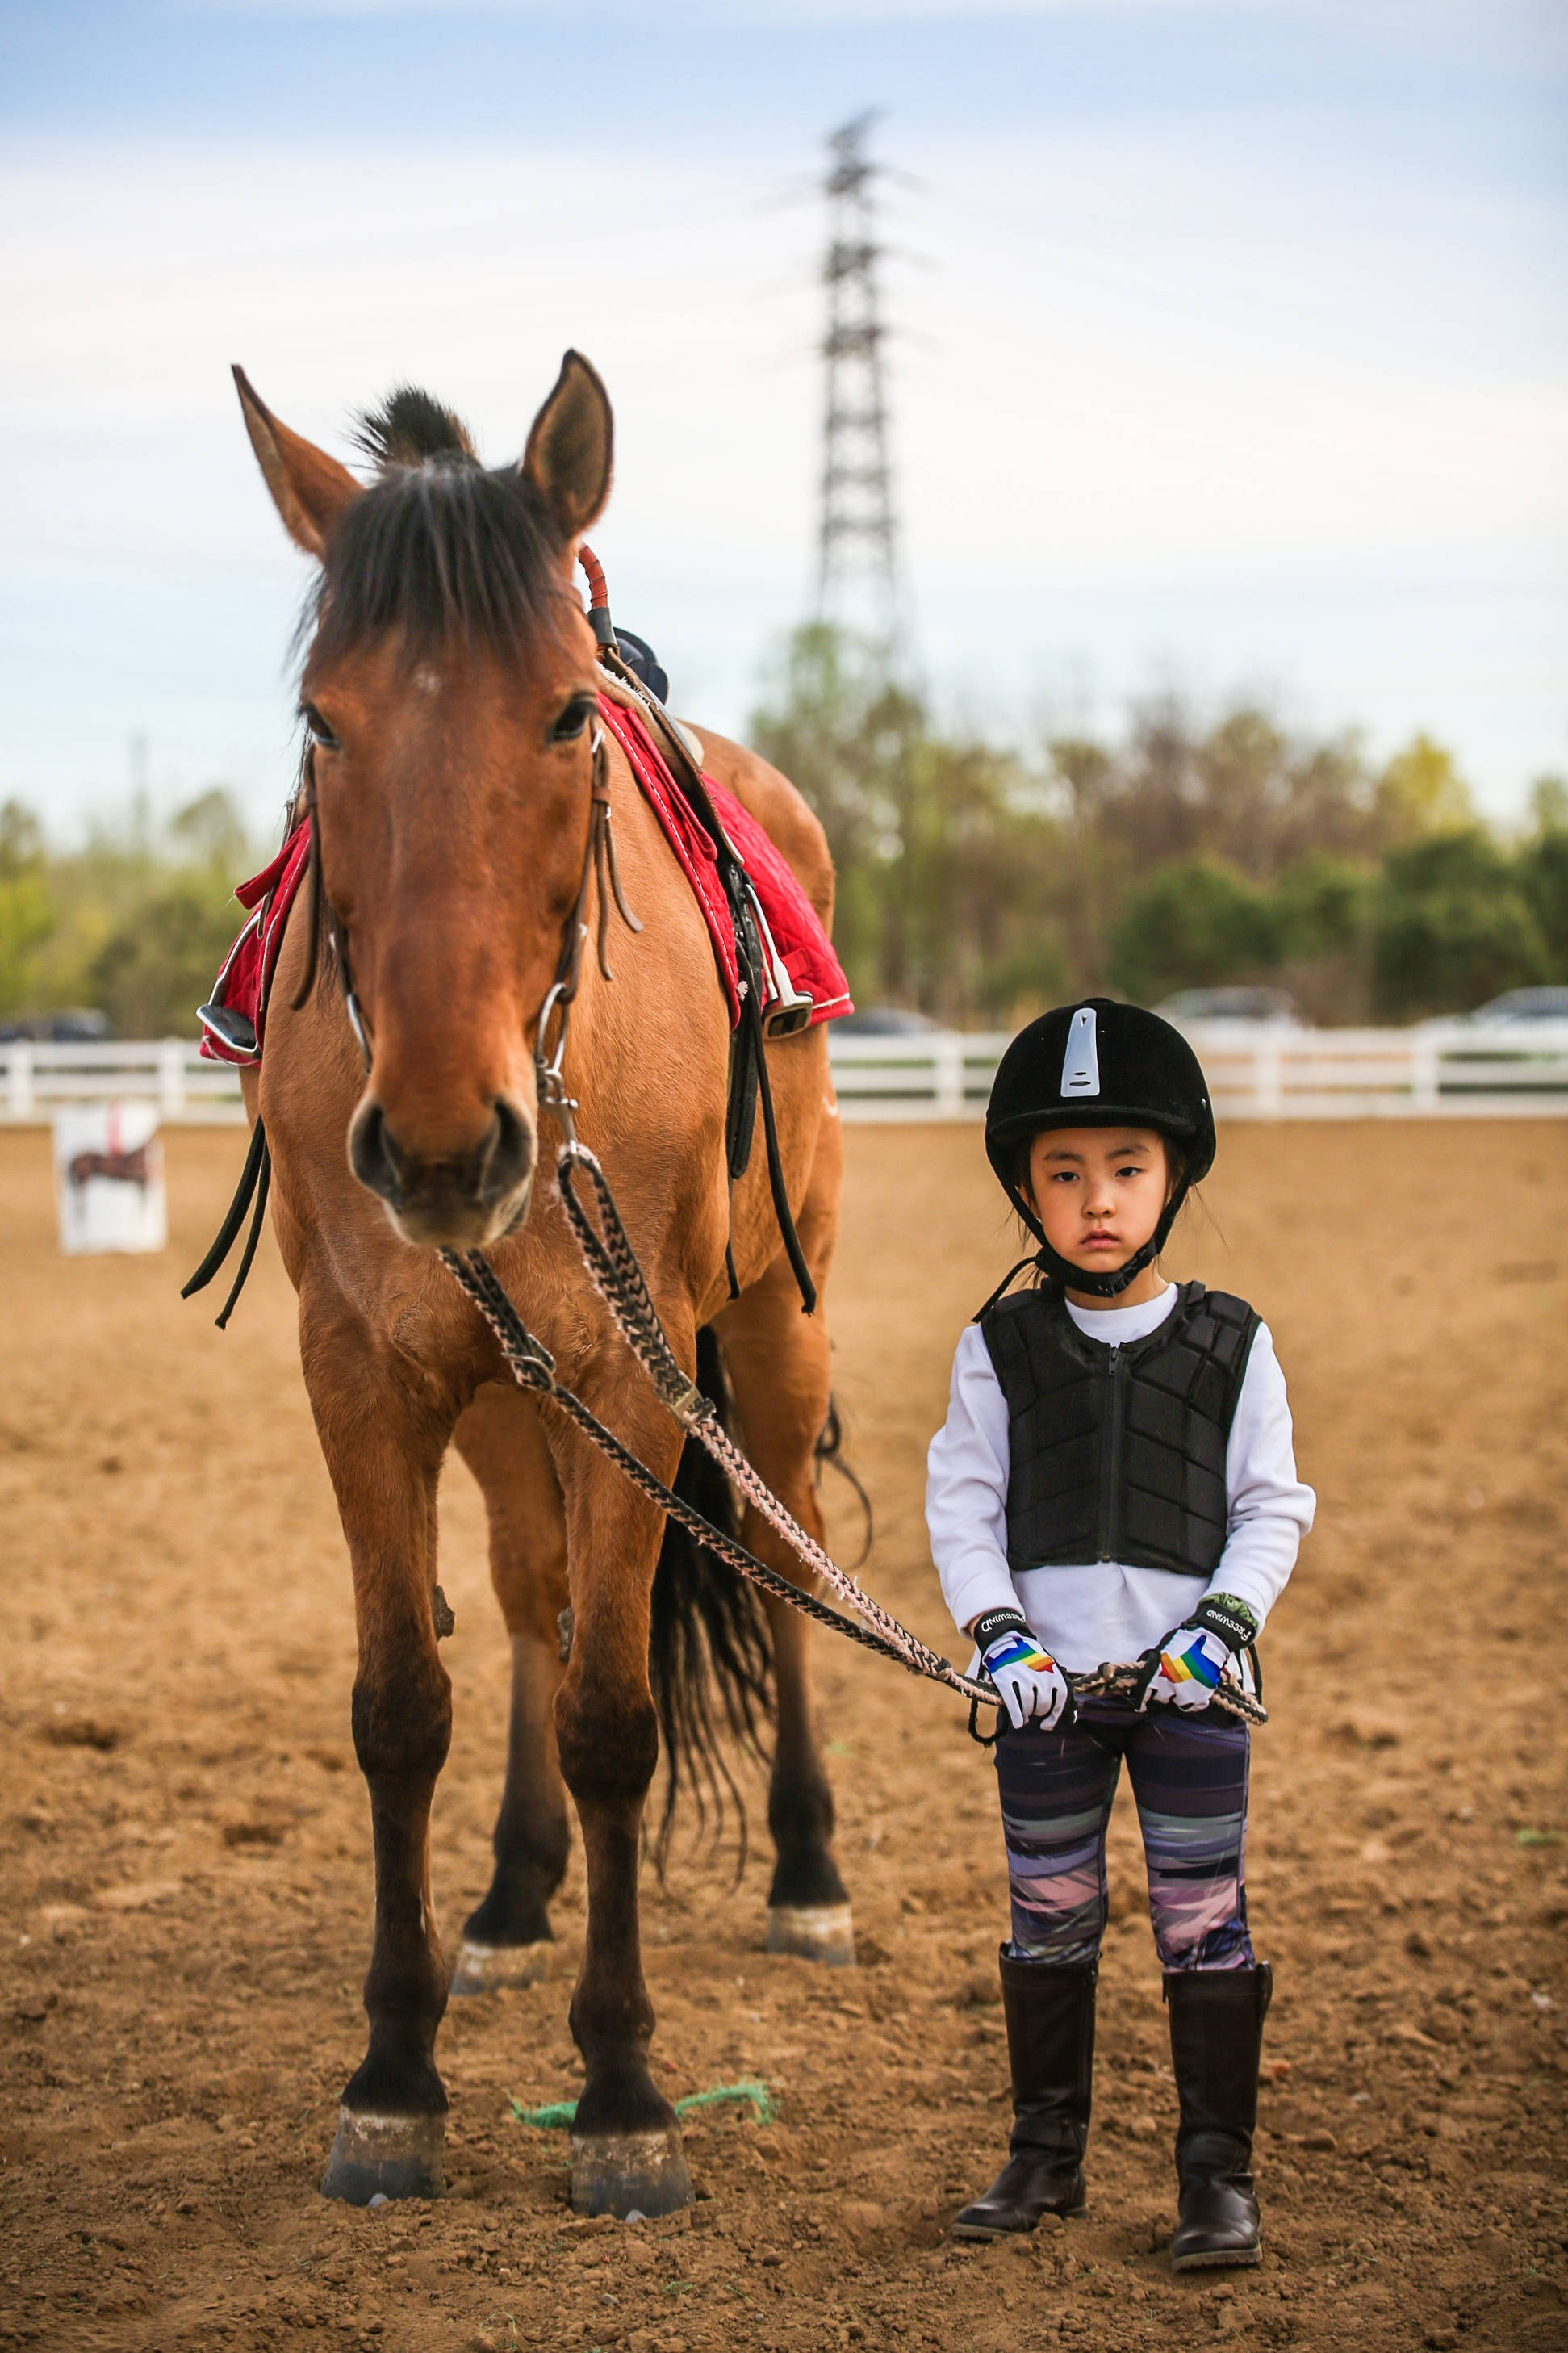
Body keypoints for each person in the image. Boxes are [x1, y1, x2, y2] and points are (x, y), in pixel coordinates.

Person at [926, 998, 1314, 2269]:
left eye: (1128, 1169)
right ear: (1027, 1190)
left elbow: (1273, 1507)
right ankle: (1045, 2154)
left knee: (1203, 1920)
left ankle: (1218, 2180)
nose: (1098, 1198)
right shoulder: (999, 1348)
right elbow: (964, 1507)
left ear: (1175, 1174)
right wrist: (1000, 1636)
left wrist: (1223, 1627)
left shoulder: (1234, 1344)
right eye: (1066, 1173)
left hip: (1194, 1695)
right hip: (1048, 1703)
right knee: (1050, 1916)